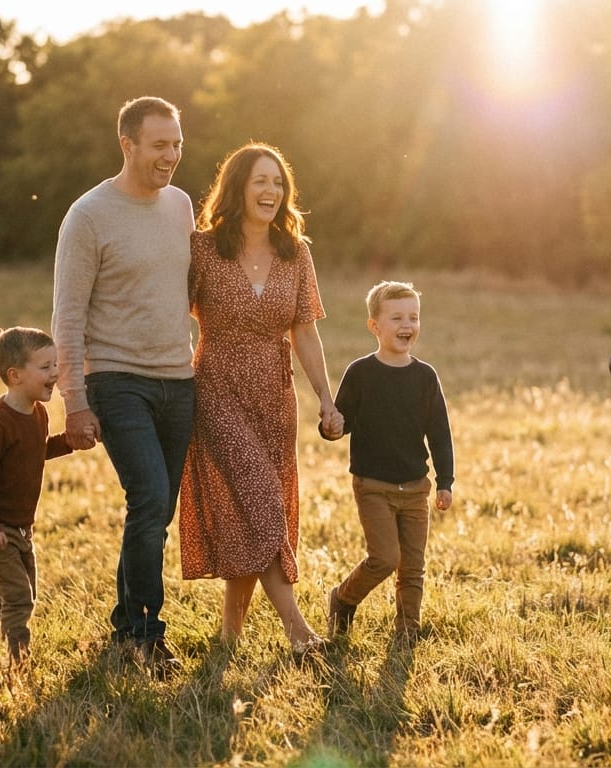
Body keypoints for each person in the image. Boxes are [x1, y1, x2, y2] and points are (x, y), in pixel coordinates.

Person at [177, 142, 343, 659]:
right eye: (260, 182)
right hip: (216, 389)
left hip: (275, 395)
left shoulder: (297, 251)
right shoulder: (202, 248)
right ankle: (298, 632)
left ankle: (228, 636)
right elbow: (167, 312)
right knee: (262, 502)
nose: (270, 191)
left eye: (278, 183)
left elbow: (305, 332)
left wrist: (326, 397)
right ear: (238, 188)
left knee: (250, 514)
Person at [51, 96, 196, 676]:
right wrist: (76, 401)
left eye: (177, 144)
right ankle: (145, 635)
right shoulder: (88, 215)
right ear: (128, 145)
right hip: (115, 379)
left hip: (178, 379)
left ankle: (124, 626)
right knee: (150, 499)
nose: (171, 156)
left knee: (155, 512)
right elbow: (68, 314)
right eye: (159, 144)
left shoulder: (182, 206)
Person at [0, 327, 89, 670]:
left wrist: (70, 441)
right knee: (19, 598)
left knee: (23, 596)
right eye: (45, 367)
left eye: (55, 364)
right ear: (15, 375)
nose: (55, 373)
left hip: (21, 527)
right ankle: (17, 670)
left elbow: (34, 451)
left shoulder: (37, 413)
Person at [322, 280, 454, 646]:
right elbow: (341, 422)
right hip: (373, 485)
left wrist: (445, 481)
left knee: (412, 567)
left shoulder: (425, 376)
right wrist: (330, 427)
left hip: (415, 488)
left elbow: (440, 432)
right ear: (374, 326)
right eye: (396, 317)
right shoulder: (361, 373)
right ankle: (343, 599)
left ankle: (407, 634)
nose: (406, 325)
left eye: (413, 317)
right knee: (384, 557)